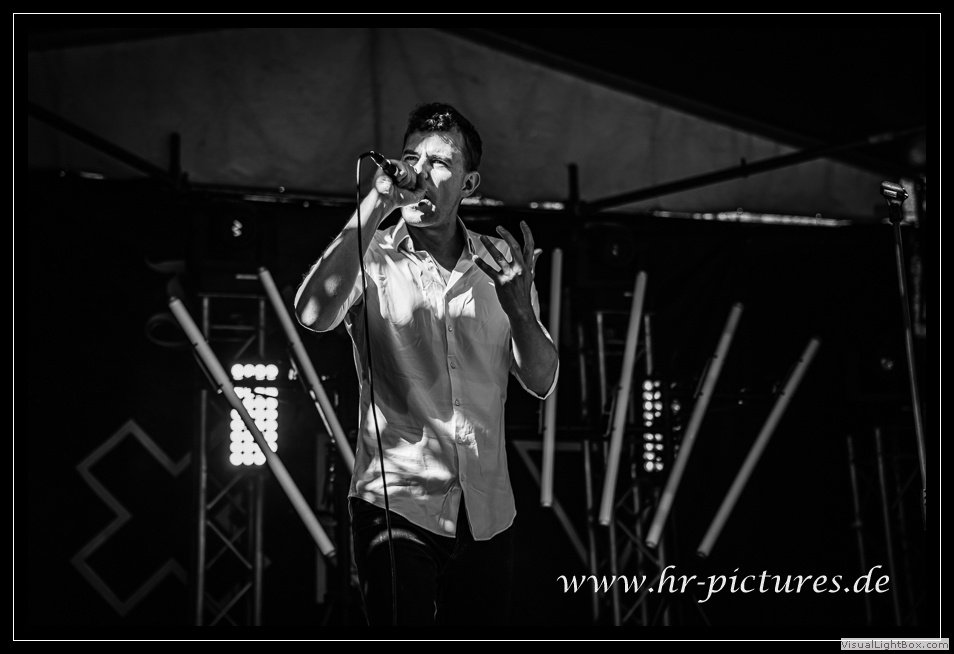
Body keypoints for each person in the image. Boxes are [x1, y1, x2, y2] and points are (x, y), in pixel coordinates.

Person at [294, 101, 559, 626]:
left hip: (486, 512)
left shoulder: (498, 263)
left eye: (439, 162)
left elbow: (542, 380)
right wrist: (377, 200)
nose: (418, 171)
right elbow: (312, 314)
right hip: (397, 503)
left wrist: (520, 310)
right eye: (411, 157)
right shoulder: (372, 254)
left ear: (468, 183)